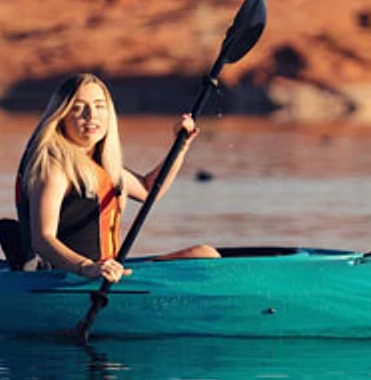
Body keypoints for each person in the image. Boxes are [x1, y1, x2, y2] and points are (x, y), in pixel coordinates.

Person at [16, 73, 219, 282]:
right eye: (78, 107)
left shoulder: (100, 164)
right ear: (61, 115)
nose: (91, 115)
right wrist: (87, 268)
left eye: (99, 106)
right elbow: (42, 239)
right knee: (205, 256)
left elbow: (149, 190)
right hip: (70, 277)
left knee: (204, 254)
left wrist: (181, 145)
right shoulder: (54, 167)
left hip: (108, 271)